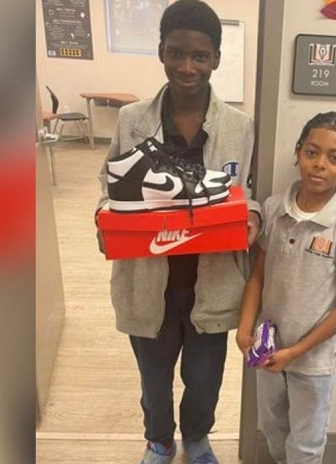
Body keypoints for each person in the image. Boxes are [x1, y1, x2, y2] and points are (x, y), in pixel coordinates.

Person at [95, 1, 261, 463]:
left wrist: (251, 218)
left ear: (216, 59)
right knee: (154, 377)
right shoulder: (132, 121)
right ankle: (159, 440)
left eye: (200, 56)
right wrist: (103, 218)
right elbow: (110, 186)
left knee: (205, 378)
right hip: (149, 277)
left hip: (211, 279)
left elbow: (248, 195)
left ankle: (198, 438)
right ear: (161, 52)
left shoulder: (240, 128)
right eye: (177, 53)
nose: (187, 66)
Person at [236, 111, 336, 464]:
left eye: (334, 158)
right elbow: (258, 275)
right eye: (312, 152)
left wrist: (297, 351)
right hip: (268, 350)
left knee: (306, 444)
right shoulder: (273, 209)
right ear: (298, 153)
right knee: (273, 428)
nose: (320, 165)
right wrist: (245, 326)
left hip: (313, 361)